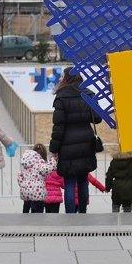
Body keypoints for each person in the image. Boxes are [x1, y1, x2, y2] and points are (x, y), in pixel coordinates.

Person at [49, 71, 102, 213]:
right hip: (86, 141)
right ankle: (83, 212)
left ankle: (70, 215)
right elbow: (97, 119)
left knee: (70, 182)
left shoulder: (61, 96)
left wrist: (53, 148)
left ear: (67, 78)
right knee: (83, 179)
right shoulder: (89, 94)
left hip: (67, 144)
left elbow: (58, 126)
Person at [19, 144, 56, 213]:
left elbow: (20, 176)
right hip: (38, 191)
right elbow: (46, 169)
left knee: (26, 206)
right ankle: (38, 221)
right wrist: (53, 161)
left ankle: (25, 219)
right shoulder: (40, 162)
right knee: (39, 208)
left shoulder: (25, 162)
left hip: (26, 190)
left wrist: (23, 185)